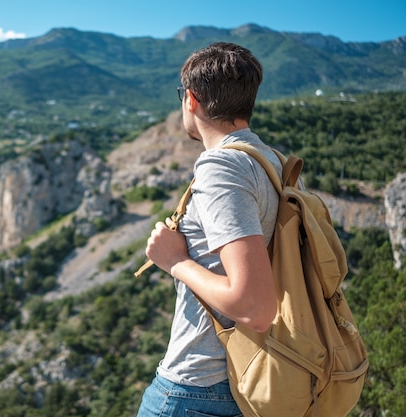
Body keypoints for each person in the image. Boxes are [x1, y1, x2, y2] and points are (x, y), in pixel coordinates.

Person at [136, 42, 281, 417]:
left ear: (192, 100)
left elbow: (254, 306)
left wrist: (175, 261)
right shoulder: (270, 161)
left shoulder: (221, 168)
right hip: (249, 375)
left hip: (196, 386)